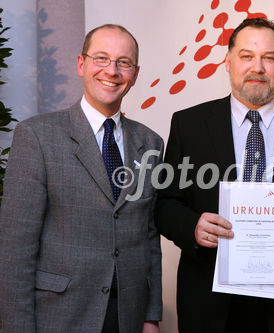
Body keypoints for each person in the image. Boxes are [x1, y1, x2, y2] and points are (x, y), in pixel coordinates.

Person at [155, 17, 274, 333]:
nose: (258, 67)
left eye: (269, 57)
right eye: (246, 56)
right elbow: (165, 204)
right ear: (227, 62)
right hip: (208, 301)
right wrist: (194, 227)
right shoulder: (189, 125)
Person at [0, 24, 163, 333]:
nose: (111, 71)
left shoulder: (151, 142)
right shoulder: (37, 136)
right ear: (81, 64)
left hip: (127, 316)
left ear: (135, 73)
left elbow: (148, 236)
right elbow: (15, 250)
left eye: (123, 62)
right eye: (101, 58)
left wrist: (150, 316)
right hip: (60, 315)